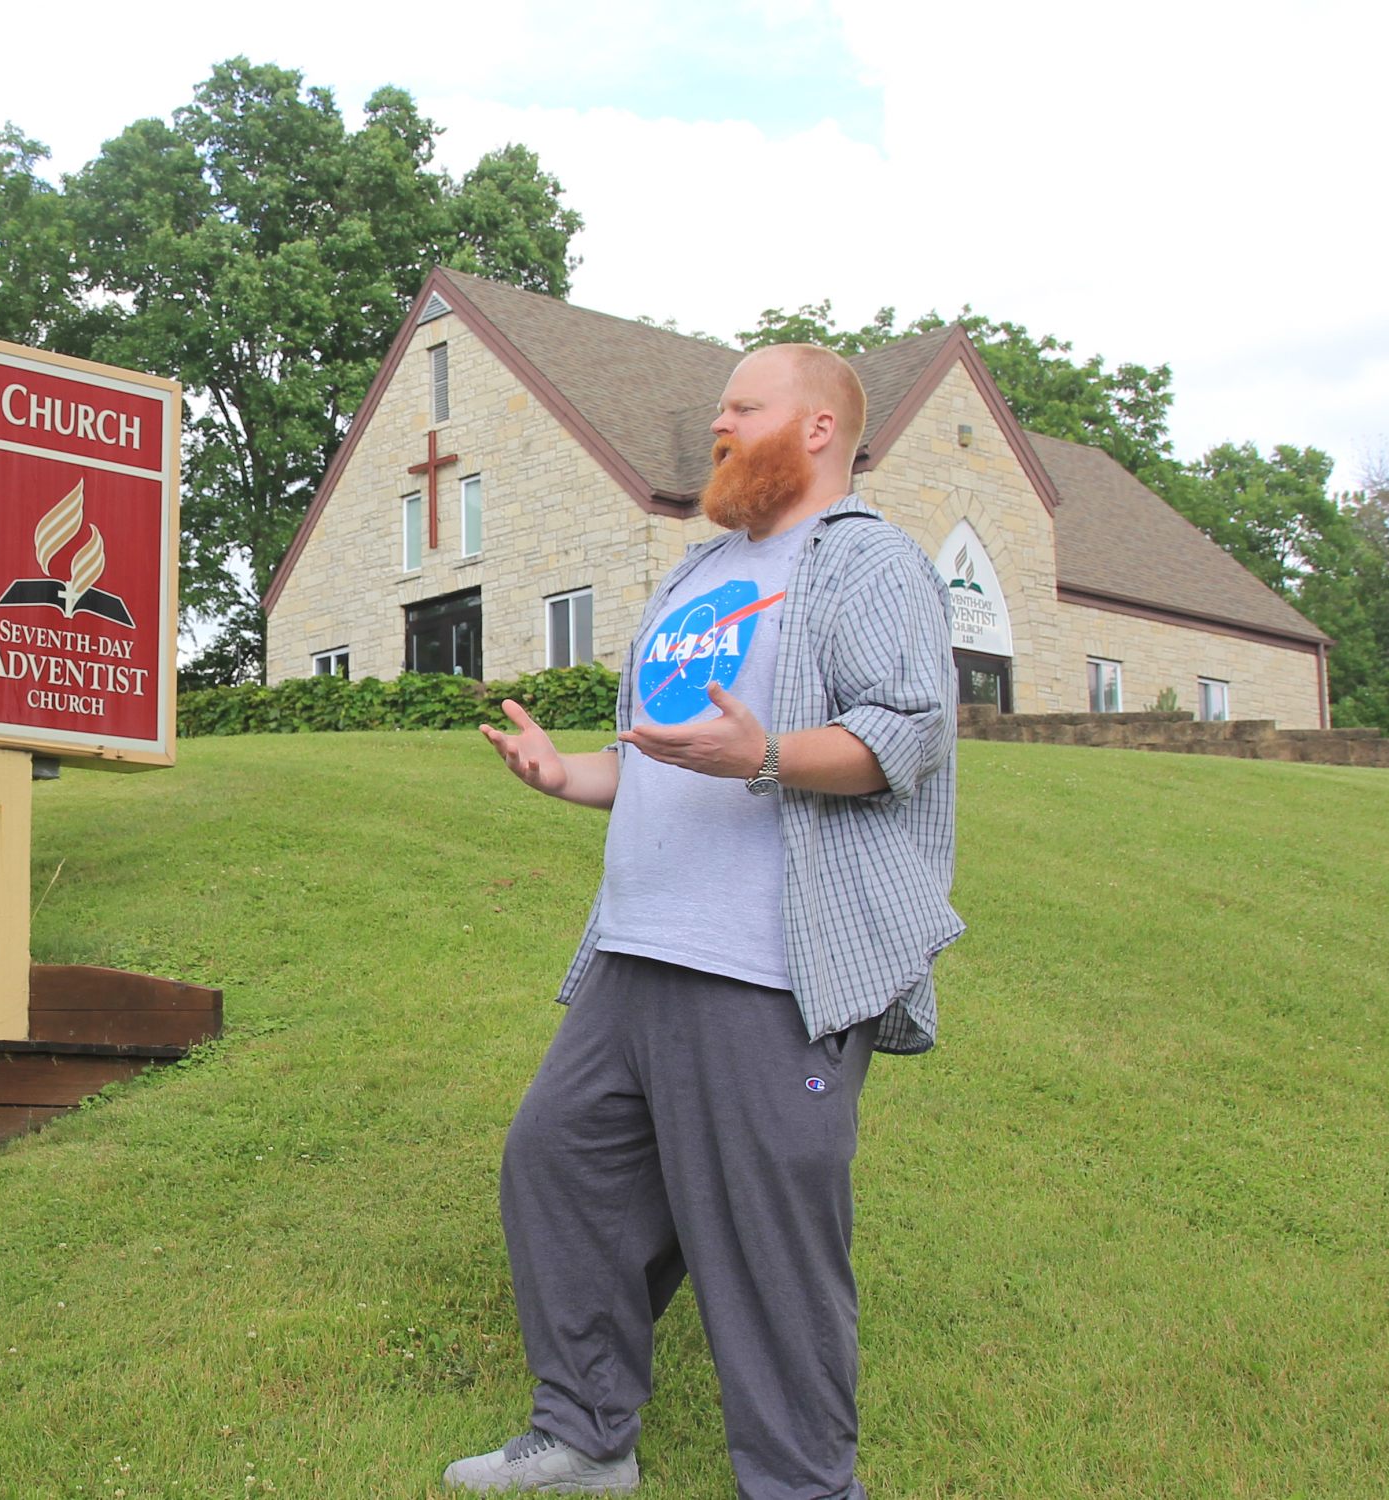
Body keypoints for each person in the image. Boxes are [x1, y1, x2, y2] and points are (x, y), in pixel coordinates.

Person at [446, 345, 962, 1498]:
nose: (718, 426)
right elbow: (662, 758)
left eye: (743, 407)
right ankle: (587, 1438)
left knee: (765, 1243)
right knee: (559, 1163)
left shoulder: (867, 563)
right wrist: (565, 773)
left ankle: (802, 1486)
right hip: (639, 948)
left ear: (818, 429)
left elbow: (908, 736)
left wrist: (770, 753)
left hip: (774, 965)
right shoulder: (698, 571)